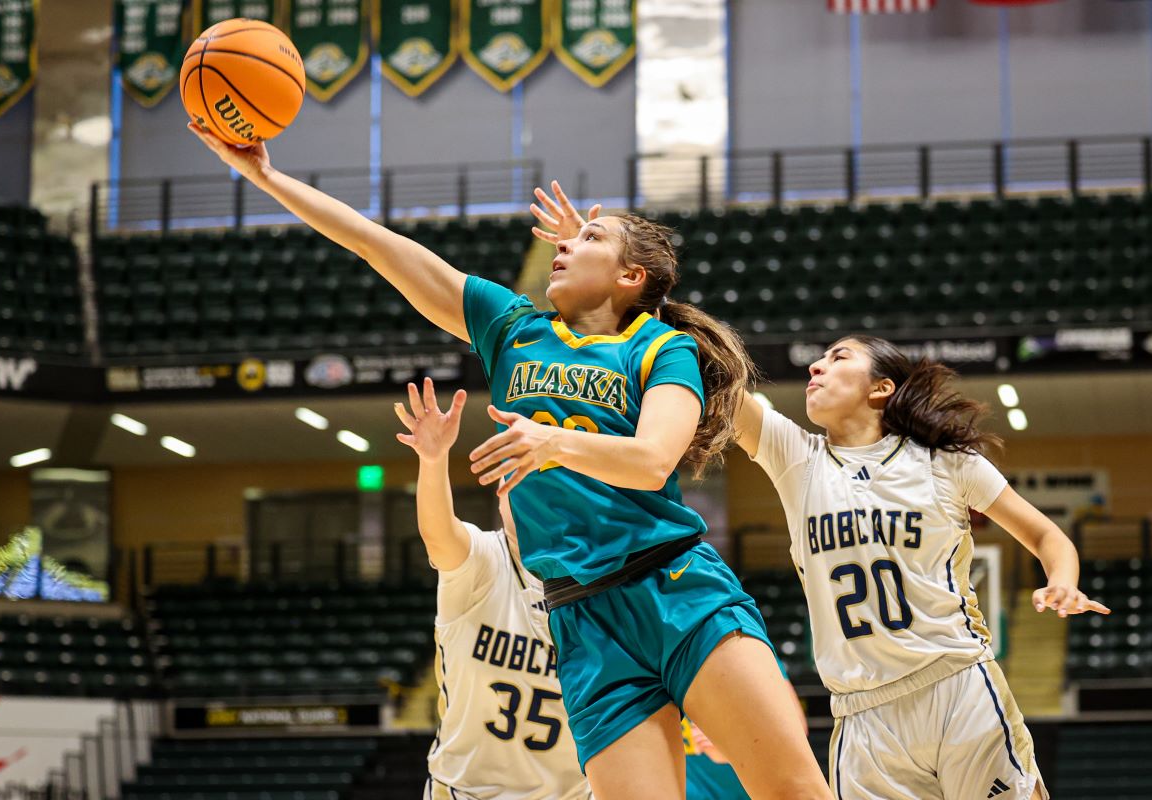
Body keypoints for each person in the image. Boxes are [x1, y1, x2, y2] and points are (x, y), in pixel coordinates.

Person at [188, 126, 830, 800]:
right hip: (580, 618)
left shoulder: (660, 348)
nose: (563, 246)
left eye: (588, 239)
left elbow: (650, 461)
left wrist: (553, 443)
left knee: (794, 792)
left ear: (631, 276)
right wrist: (266, 178)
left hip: (673, 587)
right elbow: (374, 242)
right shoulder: (513, 328)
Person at [734, 335, 1111, 800]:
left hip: (955, 684)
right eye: (819, 358)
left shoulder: (945, 463)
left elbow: (1046, 535)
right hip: (863, 713)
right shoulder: (797, 459)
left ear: (881, 388)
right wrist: (657, 316)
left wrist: (1063, 582)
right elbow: (721, 384)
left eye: (838, 357)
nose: (815, 366)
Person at [394, 377, 591, 800]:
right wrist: (433, 461)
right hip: (466, 792)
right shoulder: (484, 560)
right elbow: (439, 535)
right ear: (501, 497)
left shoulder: (598, 581)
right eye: (518, 485)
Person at [681, 666, 808, 800]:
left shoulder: (753, 657)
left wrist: (734, 748)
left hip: (748, 792)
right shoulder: (671, 666)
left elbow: (796, 730)